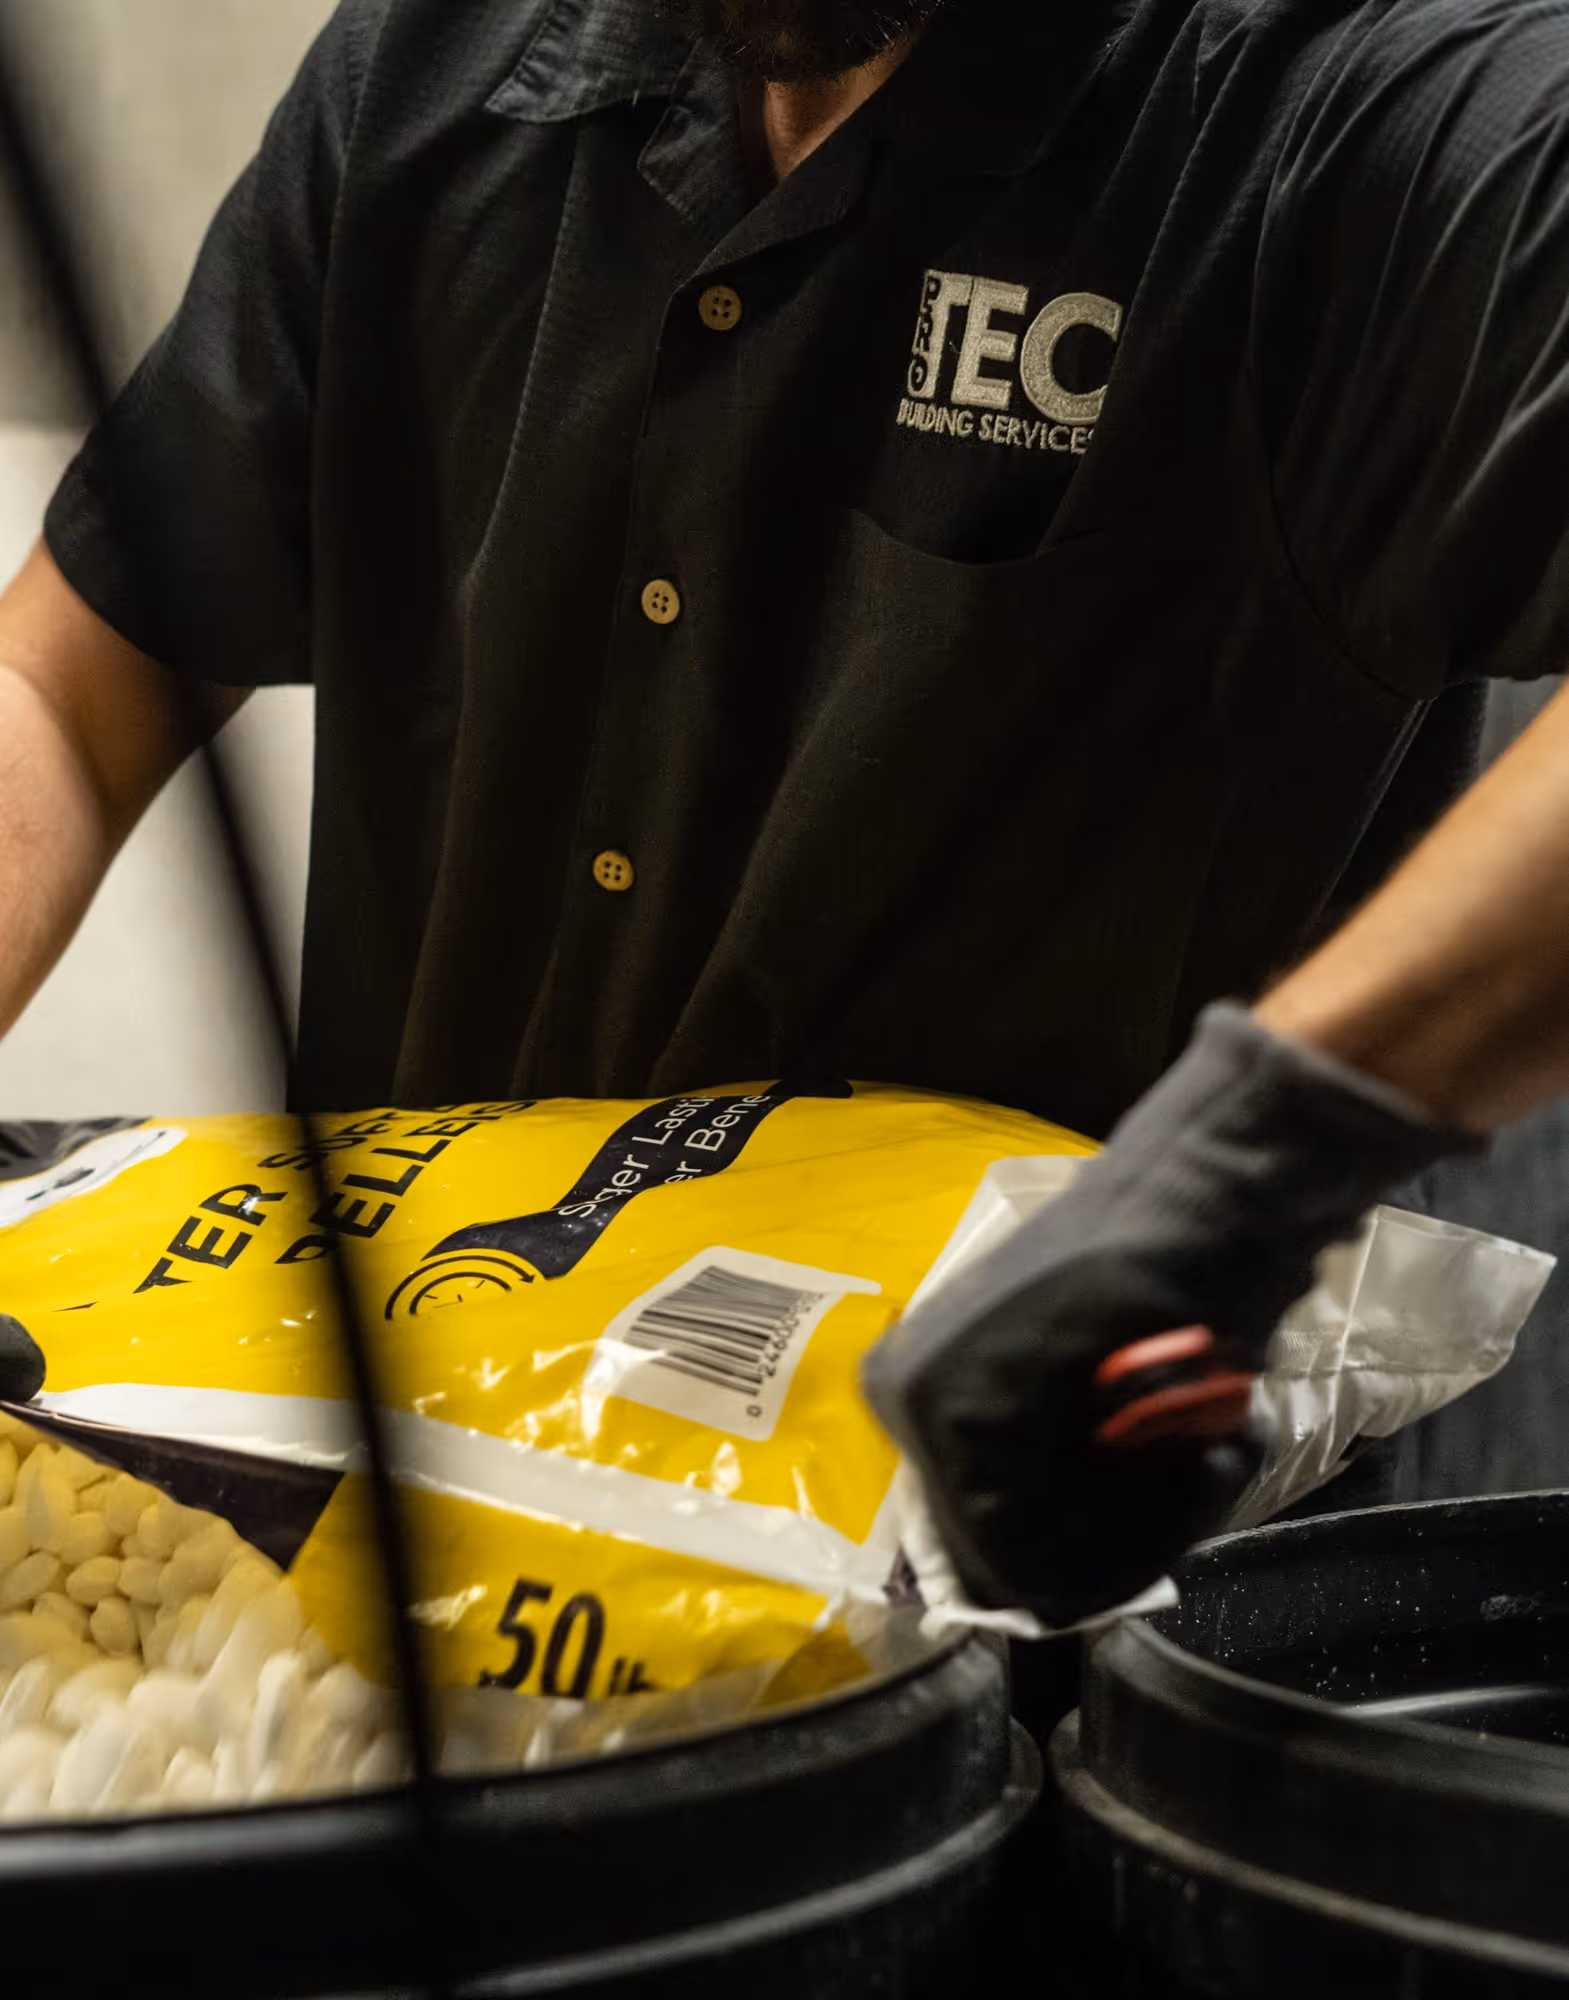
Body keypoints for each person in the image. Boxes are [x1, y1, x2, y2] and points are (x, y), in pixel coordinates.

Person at [3, 0, 1569, 1622]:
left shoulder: (1370, 103)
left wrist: (1241, 1167)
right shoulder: (433, 74)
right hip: (401, 1577)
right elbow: (66, 680)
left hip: (1062, 1634)